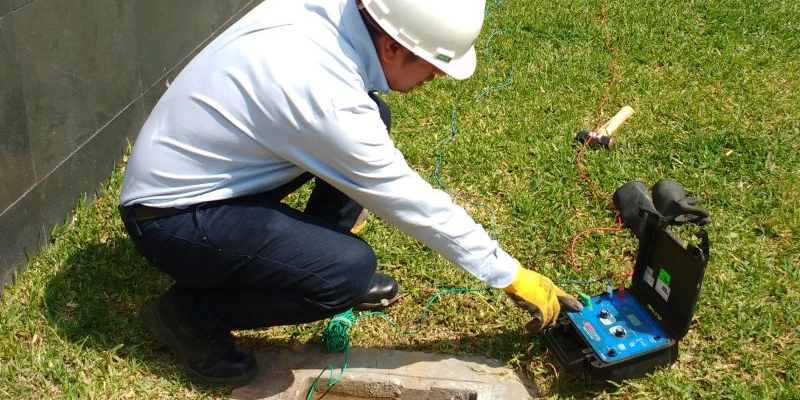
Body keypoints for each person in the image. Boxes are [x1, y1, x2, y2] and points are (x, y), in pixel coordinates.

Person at [118, 0, 581, 388]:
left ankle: (304, 264)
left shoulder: (336, 15)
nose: (437, 78)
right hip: (169, 220)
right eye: (435, 65)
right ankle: (190, 315)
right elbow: (408, 200)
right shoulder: (324, 95)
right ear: (392, 45)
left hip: (210, 175)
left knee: (374, 117)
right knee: (347, 272)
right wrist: (510, 274)